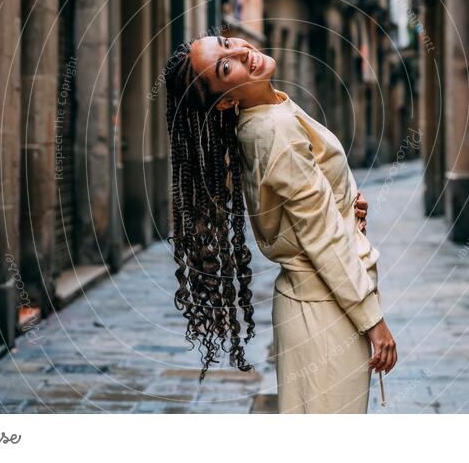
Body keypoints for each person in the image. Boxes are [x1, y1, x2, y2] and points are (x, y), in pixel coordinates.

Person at [162, 34, 397, 413]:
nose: (241, 52)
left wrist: (345, 205)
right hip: (325, 310)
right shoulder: (273, 130)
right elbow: (321, 236)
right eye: (226, 66)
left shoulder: (267, 116)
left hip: (314, 302)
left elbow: (307, 210)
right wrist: (374, 321)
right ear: (226, 101)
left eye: (227, 42)